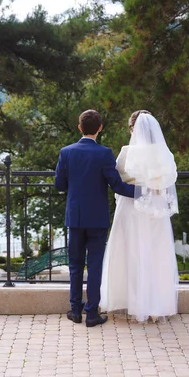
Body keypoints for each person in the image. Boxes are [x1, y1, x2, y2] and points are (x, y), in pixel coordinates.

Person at [54, 109, 135, 327]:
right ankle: (92, 313)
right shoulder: (104, 153)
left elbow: (59, 185)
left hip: (75, 217)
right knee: (95, 265)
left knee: (75, 264)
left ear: (79, 127)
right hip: (97, 218)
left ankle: (75, 310)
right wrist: (143, 193)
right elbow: (117, 186)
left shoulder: (66, 152)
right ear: (100, 128)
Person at [100, 110, 180, 323]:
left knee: (132, 253)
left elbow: (116, 180)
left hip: (132, 207)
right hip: (156, 209)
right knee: (156, 253)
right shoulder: (163, 153)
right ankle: (156, 306)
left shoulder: (127, 152)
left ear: (132, 129)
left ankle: (134, 303)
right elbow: (167, 183)